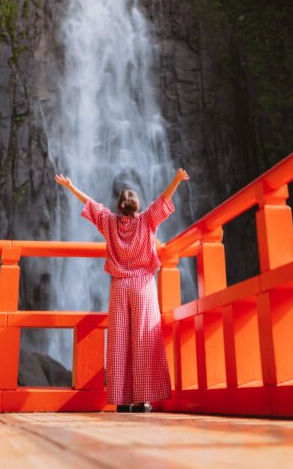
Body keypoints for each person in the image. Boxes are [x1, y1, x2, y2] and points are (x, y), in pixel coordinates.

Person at [54, 167, 189, 412]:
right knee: (144, 339)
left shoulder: (108, 222)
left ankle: (121, 399)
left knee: (119, 342)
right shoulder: (147, 221)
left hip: (119, 287)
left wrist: (71, 187)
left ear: (118, 207)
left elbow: (92, 204)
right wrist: (177, 180)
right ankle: (142, 399)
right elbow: (163, 200)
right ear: (137, 206)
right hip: (142, 286)